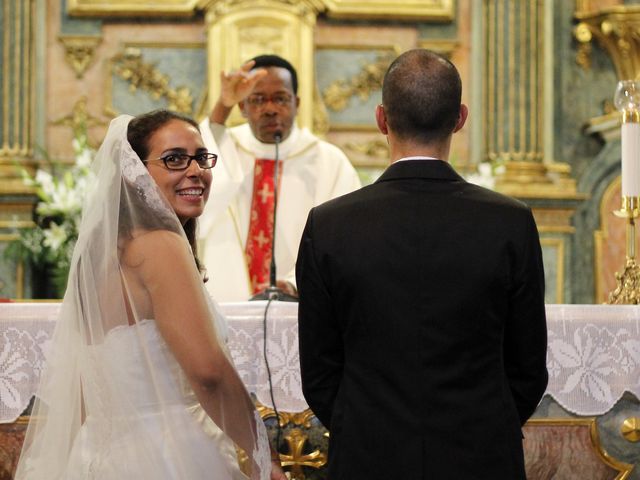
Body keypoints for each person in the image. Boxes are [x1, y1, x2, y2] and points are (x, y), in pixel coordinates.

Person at [296, 49, 548, 479]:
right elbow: (527, 366)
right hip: (481, 454)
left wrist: (366, 425)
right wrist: (484, 425)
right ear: (460, 118)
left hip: (367, 453)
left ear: (381, 119)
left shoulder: (330, 224)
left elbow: (319, 369)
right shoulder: (510, 221)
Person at [15, 110, 286, 480]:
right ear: (134, 171)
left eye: (201, 157)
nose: (195, 170)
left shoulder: (105, 255)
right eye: (174, 159)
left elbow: (82, 387)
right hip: (168, 455)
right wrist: (260, 450)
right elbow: (207, 373)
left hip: (95, 452)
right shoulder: (158, 244)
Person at [198, 54, 361, 301]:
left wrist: (296, 284)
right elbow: (200, 159)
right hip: (229, 302)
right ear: (242, 106)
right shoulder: (225, 149)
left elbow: (346, 236)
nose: (270, 109)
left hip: (303, 302)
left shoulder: (329, 162)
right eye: (258, 100)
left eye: (281, 99)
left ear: (296, 103)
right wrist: (224, 104)